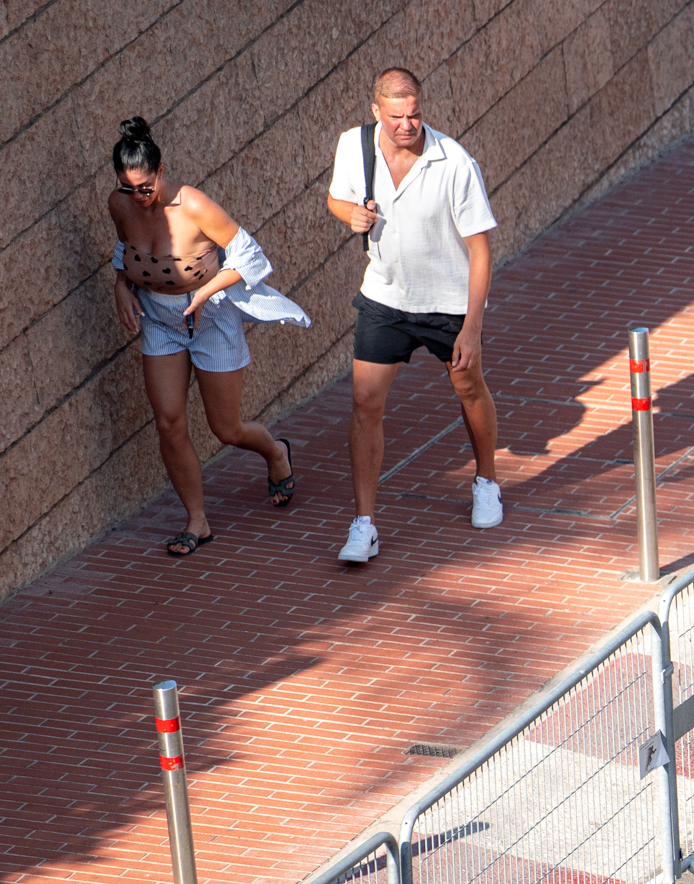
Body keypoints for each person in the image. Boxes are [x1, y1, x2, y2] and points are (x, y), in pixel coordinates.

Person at [106, 117, 308, 555]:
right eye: (128, 187)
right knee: (169, 422)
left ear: (161, 173)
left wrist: (205, 293)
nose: (138, 197)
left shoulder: (192, 205)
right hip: (160, 320)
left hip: (210, 314)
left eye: (145, 187)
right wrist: (121, 285)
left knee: (227, 428)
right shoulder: (120, 205)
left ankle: (275, 452)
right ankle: (197, 521)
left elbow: (251, 257)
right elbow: (125, 253)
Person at [324, 67, 502, 565]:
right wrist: (350, 215)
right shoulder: (353, 146)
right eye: (397, 116)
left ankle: (486, 480)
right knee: (365, 402)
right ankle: (364, 524)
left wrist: (472, 327)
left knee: (469, 388)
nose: (408, 125)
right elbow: (337, 197)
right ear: (376, 111)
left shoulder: (454, 162)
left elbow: (481, 250)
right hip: (385, 299)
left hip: (447, 303)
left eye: (416, 114)